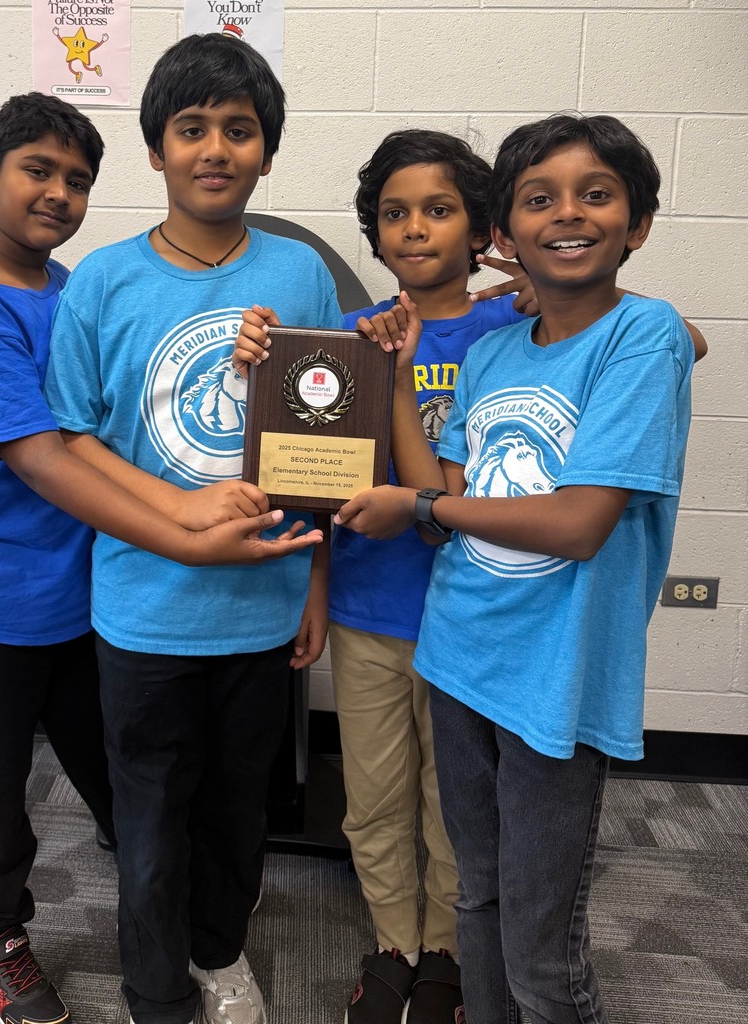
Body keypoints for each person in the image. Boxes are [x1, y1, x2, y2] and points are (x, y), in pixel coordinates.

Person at [0, 92, 322, 1024]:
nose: (56, 194)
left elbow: (164, 410)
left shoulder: (73, 287)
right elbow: (49, 454)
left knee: (125, 787)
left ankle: (183, 916)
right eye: (35, 172)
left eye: (75, 181)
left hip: (93, 590)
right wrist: (186, 533)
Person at [334, 114, 694, 1024]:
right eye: (538, 200)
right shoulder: (492, 352)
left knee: (542, 947)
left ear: (637, 224)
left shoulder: (639, 335)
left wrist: (421, 507)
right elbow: (440, 497)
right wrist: (404, 388)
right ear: (509, 230)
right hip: (458, 659)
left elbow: (575, 525)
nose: (566, 214)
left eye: (594, 196)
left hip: (551, 679)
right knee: (479, 898)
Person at [42, 34, 343, 1024]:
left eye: (239, 130)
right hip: (143, 609)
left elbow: (321, 449)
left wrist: (314, 577)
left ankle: (219, 952)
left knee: (235, 809)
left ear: (266, 150)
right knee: (149, 816)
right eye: (192, 128)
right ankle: (154, 988)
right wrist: (171, 515)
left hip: (260, 608)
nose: (215, 148)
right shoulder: (102, 283)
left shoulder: (301, 275)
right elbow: (73, 437)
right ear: (157, 148)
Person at [327, 130, 532, 1024]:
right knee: (373, 796)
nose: (414, 229)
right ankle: (392, 943)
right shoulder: (349, 336)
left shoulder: (517, 324)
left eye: (439, 210)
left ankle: (446, 948)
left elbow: (680, 340)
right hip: (367, 606)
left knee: (456, 803)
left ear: (480, 225)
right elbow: (305, 478)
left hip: (471, 618)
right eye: (394, 213)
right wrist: (258, 349)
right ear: (373, 234)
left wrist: (533, 275)